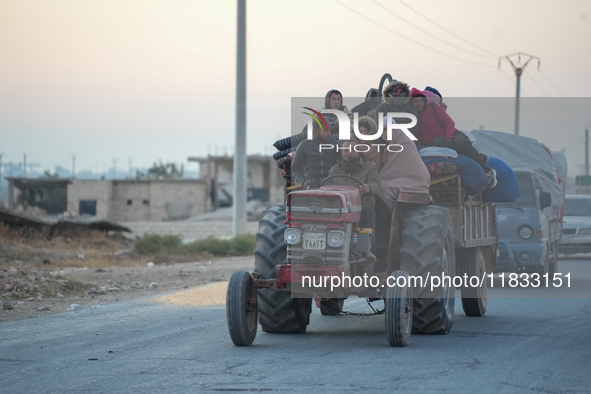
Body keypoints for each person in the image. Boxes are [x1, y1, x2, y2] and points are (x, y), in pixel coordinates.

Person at [409, 88, 497, 188]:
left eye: (420, 100)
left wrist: (449, 138)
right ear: (411, 103)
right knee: (439, 142)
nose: (419, 103)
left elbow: (449, 122)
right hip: (437, 142)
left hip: (453, 134)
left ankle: (488, 171)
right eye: (415, 101)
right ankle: (478, 156)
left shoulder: (433, 107)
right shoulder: (412, 118)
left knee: (461, 144)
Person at [328, 140, 381, 252]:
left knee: (367, 211)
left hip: (362, 208)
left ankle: (368, 252)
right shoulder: (334, 170)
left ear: (359, 151)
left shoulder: (369, 167)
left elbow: (376, 185)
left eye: (353, 150)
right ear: (341, 152)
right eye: (346, 150)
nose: (350, 153)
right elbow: (328, 190)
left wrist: (369, 188)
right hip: (340, 210)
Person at [291, 119, 339, 189]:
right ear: (316, 132)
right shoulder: (303, 145)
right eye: (325, 130)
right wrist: (303, 181)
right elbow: (295, 168)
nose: (329, 133)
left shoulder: (336, 145)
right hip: (310, 182)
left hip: (330, 181)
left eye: (329, 130)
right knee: (311, 183)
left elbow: (342, 166)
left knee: (325, 182)